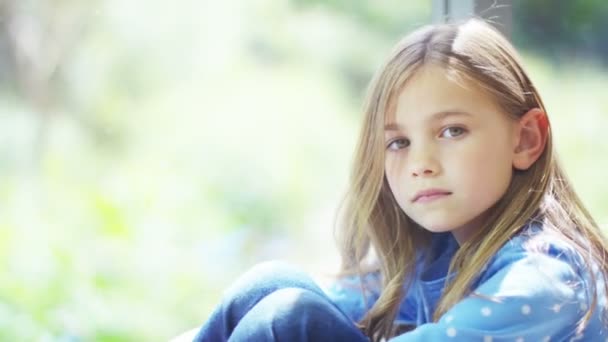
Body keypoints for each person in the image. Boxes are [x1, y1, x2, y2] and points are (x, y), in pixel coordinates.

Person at [191, 18, 608, 341]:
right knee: (267, 285)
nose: (420, 164)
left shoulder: (546, 279)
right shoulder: (442, 253)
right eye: (398, 142)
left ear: (525, 139)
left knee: (288, 319)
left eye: (452, 131)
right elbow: (342, 303)